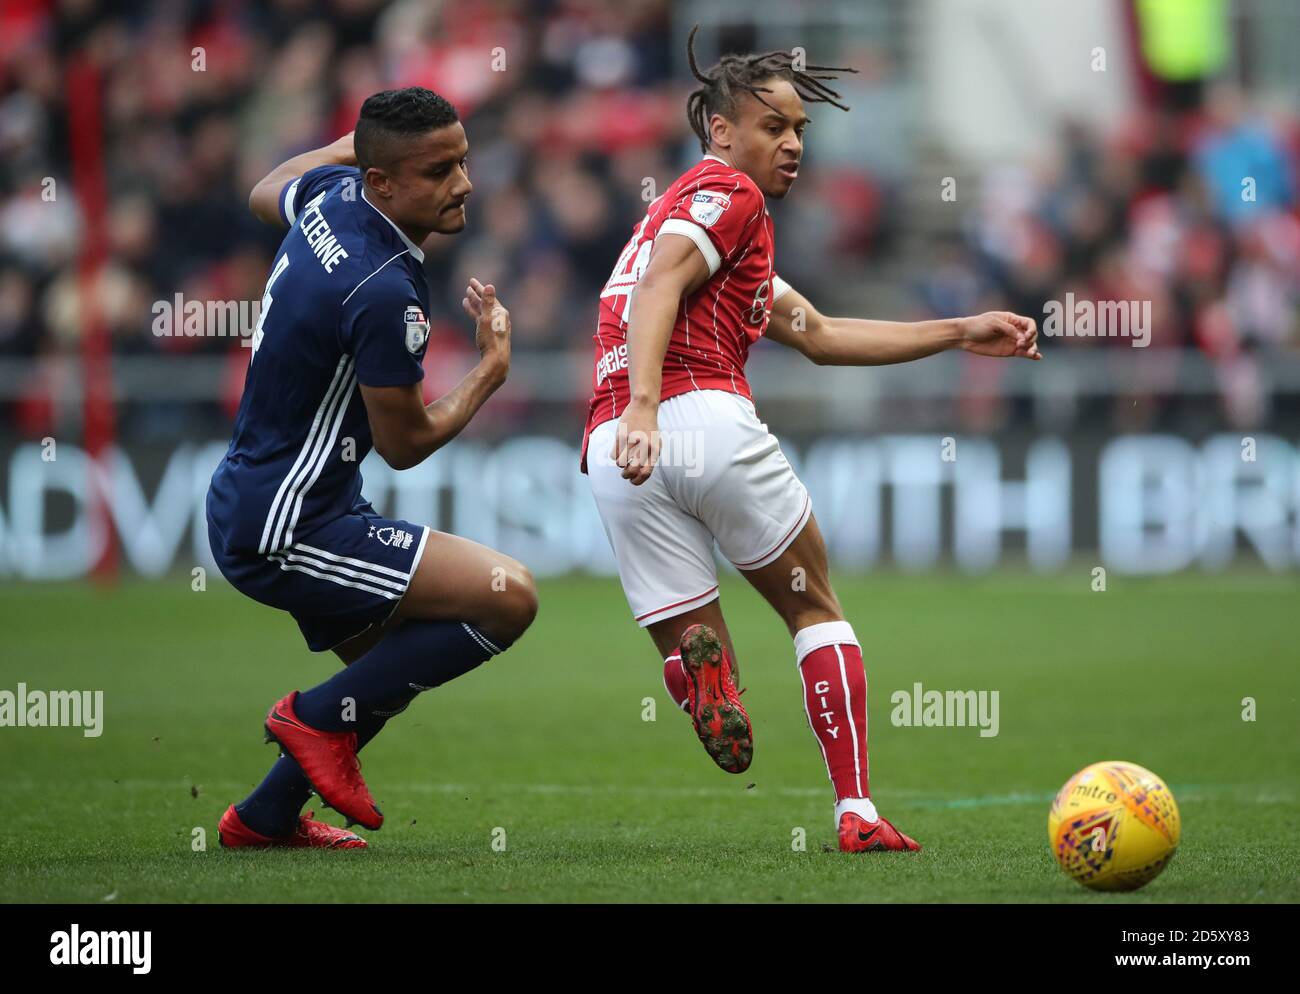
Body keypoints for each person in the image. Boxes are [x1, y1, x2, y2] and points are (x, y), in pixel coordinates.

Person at [582, 30, 1040, 853]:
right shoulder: (731, 195)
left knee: (698, 648)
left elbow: (820, 334)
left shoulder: (681, 223)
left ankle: (702, 678)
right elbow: (658, 293)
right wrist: (652, 407)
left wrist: (960, 331)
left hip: (614, 454)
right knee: (814, 609)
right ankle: (856, 812)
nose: (793, 144)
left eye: (799, 130)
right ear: (722, 132)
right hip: (691, 418)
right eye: (774, 128)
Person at [206, 87, 536, 849]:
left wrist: (359, 147)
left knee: (388, 668)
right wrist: (491, 368)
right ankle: (310, 718)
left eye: (462, 161)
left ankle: (263, 818)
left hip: (264, 497)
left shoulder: (330, 196)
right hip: (290, 522)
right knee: (507, 597)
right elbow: (406, 444)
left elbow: (264, 192)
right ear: (383, 182)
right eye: (437, 171)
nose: (463, 184)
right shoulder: (383, 289)